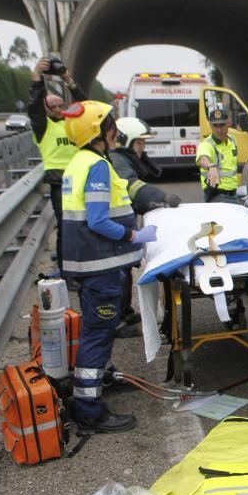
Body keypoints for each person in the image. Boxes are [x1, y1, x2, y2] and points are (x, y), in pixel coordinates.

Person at [60, 100, 157, 433]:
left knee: (97, 330)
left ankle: (101, 380)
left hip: (90, 266)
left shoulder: (78, 162)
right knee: (97, 334)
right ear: (99, 132)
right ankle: (89, 409)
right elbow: (99, 219)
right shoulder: (97, 166)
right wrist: (134, 234)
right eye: (110, 126)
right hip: (100, 266)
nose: (115, 131)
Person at [108, 117, 181, 338]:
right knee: (119, 273)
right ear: (125, 141)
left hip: (119, 222)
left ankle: (125, 312)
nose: (143, 148)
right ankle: (118, 320)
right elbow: (132, 187)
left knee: (125, 269)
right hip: (114, 227)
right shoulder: (118, 161)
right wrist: (161, 197)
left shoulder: (123, 158)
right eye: (139, 143)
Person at [28, 58, 83, 274]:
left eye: (62, 105)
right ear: (46, 109)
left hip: (81, 180)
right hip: (60, 184)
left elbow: (86, 104)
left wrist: (68, 79)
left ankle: (83, 266)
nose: (59, 109)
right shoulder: (44, 127)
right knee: (67, 229)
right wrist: (37, 78)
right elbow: (34, 107)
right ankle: (67, 271)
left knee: (85, 228)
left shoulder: (73, 124)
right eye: (53, 107)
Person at [196, 107, 239, 203]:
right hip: (216, 194)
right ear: (210, 125)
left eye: (222, 125)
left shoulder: (233, 140)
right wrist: (211, 166)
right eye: (215, 125)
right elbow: (202, 159)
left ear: (228, 123)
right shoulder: (207, 144)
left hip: (233, 191)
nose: (219, 129)